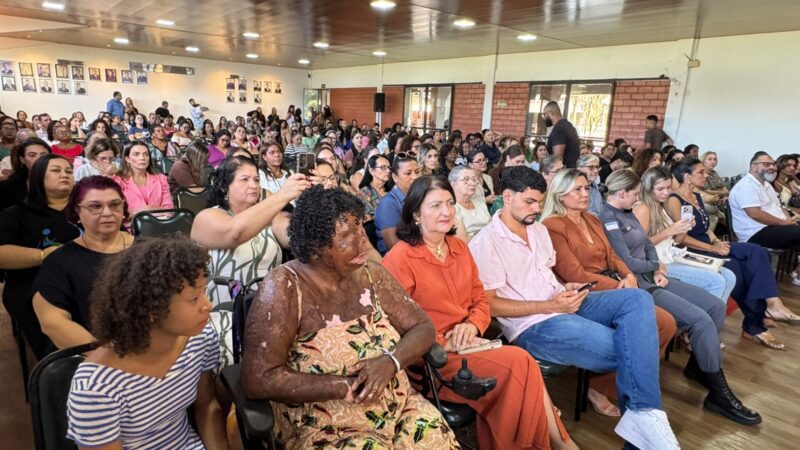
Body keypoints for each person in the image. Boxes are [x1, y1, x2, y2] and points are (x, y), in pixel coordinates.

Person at [469, 166, 683, 446]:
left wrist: (564, 290)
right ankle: (644, 419)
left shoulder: (537, 230)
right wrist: (549, 304)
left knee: (638, 298)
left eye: (540, 201)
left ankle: (642, 417)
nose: (537, 208)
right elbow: (491, 305)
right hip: (534, 325)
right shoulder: (486, 242)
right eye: (529, 202)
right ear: (507, 197)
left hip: (563, 302)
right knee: (630, 349)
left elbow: (546, 278)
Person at [240, 186, 457, 448]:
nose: (362, 239)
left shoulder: (371, 274)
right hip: (331, 425)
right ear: (316, 245)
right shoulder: (284, 288)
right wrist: (343, 386)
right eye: (348, 234)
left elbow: (422, 327)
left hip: (401, 409)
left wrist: (391, 362)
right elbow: (259, 378)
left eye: (359, 228)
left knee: (434, 439)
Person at [383, 175, 578, 450]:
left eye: (450, 203)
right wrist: (443, 341)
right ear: (416, 214)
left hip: (472, 345)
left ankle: (549, 444)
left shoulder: (459, 248)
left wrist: (472, 326)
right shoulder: (400, 258)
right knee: (521, 363)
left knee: (523, 369)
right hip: (433, 358)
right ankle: (558, 444)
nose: (447, 212)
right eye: (435, 206)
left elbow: (481, 301)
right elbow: (394, 327)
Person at [600, 170, 761, 425]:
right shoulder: (607, 218)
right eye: (634, 194)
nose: (638, 198)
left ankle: (698, 365)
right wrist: (653, 268)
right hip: (637, 284)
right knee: (700, 320)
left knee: (715, 306)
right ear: (622, 194)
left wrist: (655, 265)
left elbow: (647, 245)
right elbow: (626, 261)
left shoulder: (628, 211)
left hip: (652, 274)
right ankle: (718, 394)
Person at [66, 237, 228, 449]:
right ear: (153, 309)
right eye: (194, 298)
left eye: (204, 292)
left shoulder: (200, 338)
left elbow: (206, 406)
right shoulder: (96, 389)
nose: (208, 305)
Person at [670, 158, 798, 349]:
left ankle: (773, 304)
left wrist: (716, 241)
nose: (705, 176)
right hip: (691, 249)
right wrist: (712, 248)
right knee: (737, 269)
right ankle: (754, 325)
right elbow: (681, 238)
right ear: (687, 177)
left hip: (708, 243)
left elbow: (706, 228)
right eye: (701, 173)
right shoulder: (674, 200)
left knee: (757, 252)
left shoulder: (696, 197)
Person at [191, 156, 309, 305]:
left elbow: (295, 236)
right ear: (225, 187)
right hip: (222, 311)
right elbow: (234, 233)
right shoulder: (205, 218)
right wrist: (282, 195)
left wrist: (314, 197)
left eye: (257, 180)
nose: (254, 185)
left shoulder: (271, 217)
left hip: (268, 308)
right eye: (245, 179)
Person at [32, 176, 133, 349]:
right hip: (97, 358)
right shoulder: (60, 262)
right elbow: (53, 323)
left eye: (115, 204)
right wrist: (111, 360)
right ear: (77, 211)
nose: (107, 213)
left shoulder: (148, 250)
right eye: (95, 206)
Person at [0, 154, 79, 358]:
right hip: (34, 284)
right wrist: (43, 255)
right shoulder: (16, 214)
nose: (64, 175)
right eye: (56, 170)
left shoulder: (88, 208)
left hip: (88, 279)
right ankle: (63, 370)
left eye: (69, 171)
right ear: (38, 177)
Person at [634, 166, 736, 302]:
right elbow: (639, 246)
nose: (666, 193)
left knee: (729, 276)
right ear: (648, 188)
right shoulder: (643, 208)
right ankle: (705, 318)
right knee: (716, 281)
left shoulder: (659, 205)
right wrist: (669, 231)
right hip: (658, 262)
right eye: (660, 189)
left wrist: (684, 227)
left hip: (671, 254)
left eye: (669, 188)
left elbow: (677, 240)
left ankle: (713, 317)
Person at [113, 140, 173, 218]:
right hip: (130, 227)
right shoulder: (117, 181)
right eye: (136, 154)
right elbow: (120, 214)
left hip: (161, 225)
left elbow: (169, 209)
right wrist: (150, 209)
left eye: (146, 154)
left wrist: (141, 211)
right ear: (127, 159)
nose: (142, 158)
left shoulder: (161, 179)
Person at [374, 153, 420, 254]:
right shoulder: (387, 204)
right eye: (408, 173)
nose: (415, 177)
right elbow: (394, 246)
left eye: (417, 172)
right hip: (399, 261)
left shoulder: (419, 197)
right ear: (395, 177)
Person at [0, 137, 52, 211]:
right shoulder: (6, 187)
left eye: (43, 155)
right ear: (22, 159)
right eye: (32, 155)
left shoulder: (60, 182)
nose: (39, 159)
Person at [450, 165, 490, 239]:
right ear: (453, 184)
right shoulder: (452, 209)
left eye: (474, 179)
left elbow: (492, 228)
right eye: (466, 179)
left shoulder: (481, 204)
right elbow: (462, 240)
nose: (472, 183)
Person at [542, 101, 580, 168]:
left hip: (563, 174)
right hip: (571, 172)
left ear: (550, 113)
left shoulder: (559, 129)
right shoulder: (569, 126)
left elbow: (557, 159)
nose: (544, 118)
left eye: (544, 114)